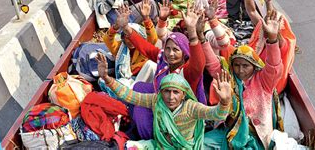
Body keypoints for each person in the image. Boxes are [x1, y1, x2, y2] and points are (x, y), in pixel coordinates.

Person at [97, 50, 232, 149]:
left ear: (184, 95)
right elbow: (130, 96)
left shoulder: (191, 107)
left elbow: (216, 114)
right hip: (159, 147)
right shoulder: (157, 100)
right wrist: (106, 78)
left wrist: (225, 101)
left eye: (176, 92)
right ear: (161, 92)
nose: (171, 97)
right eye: (167, 91)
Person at [117, 2, 208, 139]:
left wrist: (193, 33)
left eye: (176, 50)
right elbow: (145, 47)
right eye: (168, 49)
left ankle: (151, 138)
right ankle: (143, 129)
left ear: (184, 53)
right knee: (140, 87)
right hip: (163, 103)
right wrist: (125, 27)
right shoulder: (163, 59)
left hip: (180, 115)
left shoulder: (188, 72)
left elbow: (199, 64)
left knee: (140, 102)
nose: (170, 54)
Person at [203, 11, 284, 149]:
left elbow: (274, 66)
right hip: (228, 132)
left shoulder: (264, 80)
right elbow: (212, 65)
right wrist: (199, 37)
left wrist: (272, 39)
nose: (240, 70)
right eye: (236, 65)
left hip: (257, 136)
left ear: (254, 66)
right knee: (201, 143)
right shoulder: (229, 77)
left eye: (245, 66)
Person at [102, 0, 159, 87]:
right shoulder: (120, 49)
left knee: (150, 65)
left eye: (132, 37)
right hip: (127, 80)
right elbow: (107, 39)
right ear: (123, 38)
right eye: (127, 37)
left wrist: (146, 18)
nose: (130, 40)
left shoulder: (143, 47)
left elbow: (153, 38)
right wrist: (116, 25)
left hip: (145, 79)